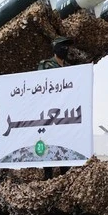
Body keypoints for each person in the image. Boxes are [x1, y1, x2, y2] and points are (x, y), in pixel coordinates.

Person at [37, 36, 73, 179]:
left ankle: (65, 173)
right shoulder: (46, 65)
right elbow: (39, 84)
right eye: (62, 46)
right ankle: (48, 175)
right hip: (49, 112)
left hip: (65, 113)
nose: (65, 49)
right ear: (55, 48)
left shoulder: (70, 68)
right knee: (49, 142)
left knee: (64, 143)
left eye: (67, 47)